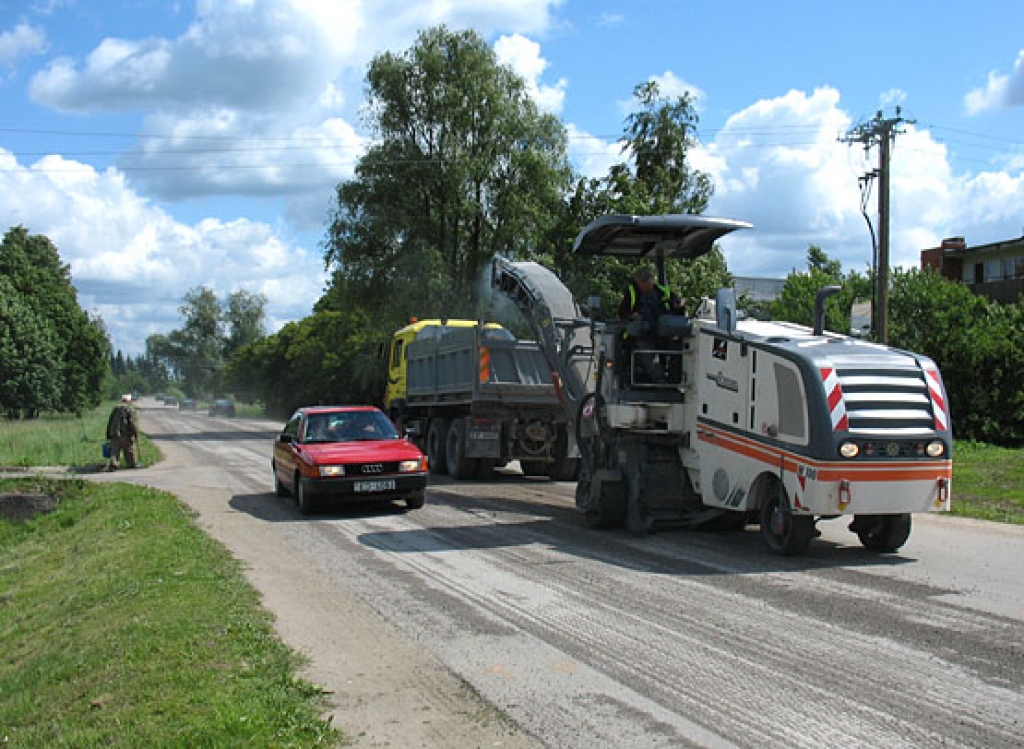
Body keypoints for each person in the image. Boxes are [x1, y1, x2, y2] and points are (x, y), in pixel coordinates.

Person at [618, 267, 682, 383]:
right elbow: (622, 312)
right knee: (647, 351)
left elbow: (679, 308)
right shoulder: (632, 292)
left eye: (646, 281)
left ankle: (675, 380)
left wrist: (678, 306)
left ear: (652, 280)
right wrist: (633, 315)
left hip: (663, 333)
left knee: (678, 347)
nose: (643, 285)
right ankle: (661, 382)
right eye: (641, 282)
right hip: (641, 334)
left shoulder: (664, 292)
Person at [105, 394, 139, 469]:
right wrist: (136, 434)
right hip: (125, 433)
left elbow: (110, 421)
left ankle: (113, 463)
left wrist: (108, 434)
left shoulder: (115, 408)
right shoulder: (130, 409)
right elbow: (132, 423)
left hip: (114, 433)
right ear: (129, 401)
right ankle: (131, 464)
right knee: (129, 449)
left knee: (114, 451)